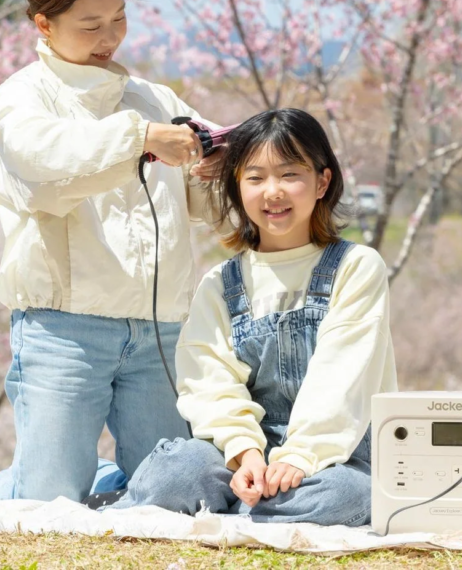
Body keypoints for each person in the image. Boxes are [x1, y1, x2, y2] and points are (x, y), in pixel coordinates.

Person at [0, 0, 222, 503]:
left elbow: (206, 200)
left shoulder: (154, 99)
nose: (109, 38)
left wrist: (217, 165)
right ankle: (8, 487)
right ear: (44, 23)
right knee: (46, 501)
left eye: (119, 19)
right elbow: (45, 161)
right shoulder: (23, 96)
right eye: (90, 26)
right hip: (66, 329)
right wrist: (139, 138)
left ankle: (108, 489)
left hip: (158, 327)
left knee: (173, 491)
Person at [109, 108, 398, 525]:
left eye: (290, 175)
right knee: (174, 474)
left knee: (346, 495)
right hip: (242, 457)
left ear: (322, 182)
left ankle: (230, 510)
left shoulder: (356, 267)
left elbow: (343, 375)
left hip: (333, 453)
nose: (272, 192)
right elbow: (208, 381)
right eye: (255, 177)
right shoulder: (222, 283)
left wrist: (298, 457)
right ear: (237, 187)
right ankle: (255, 508)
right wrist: (245, 453)